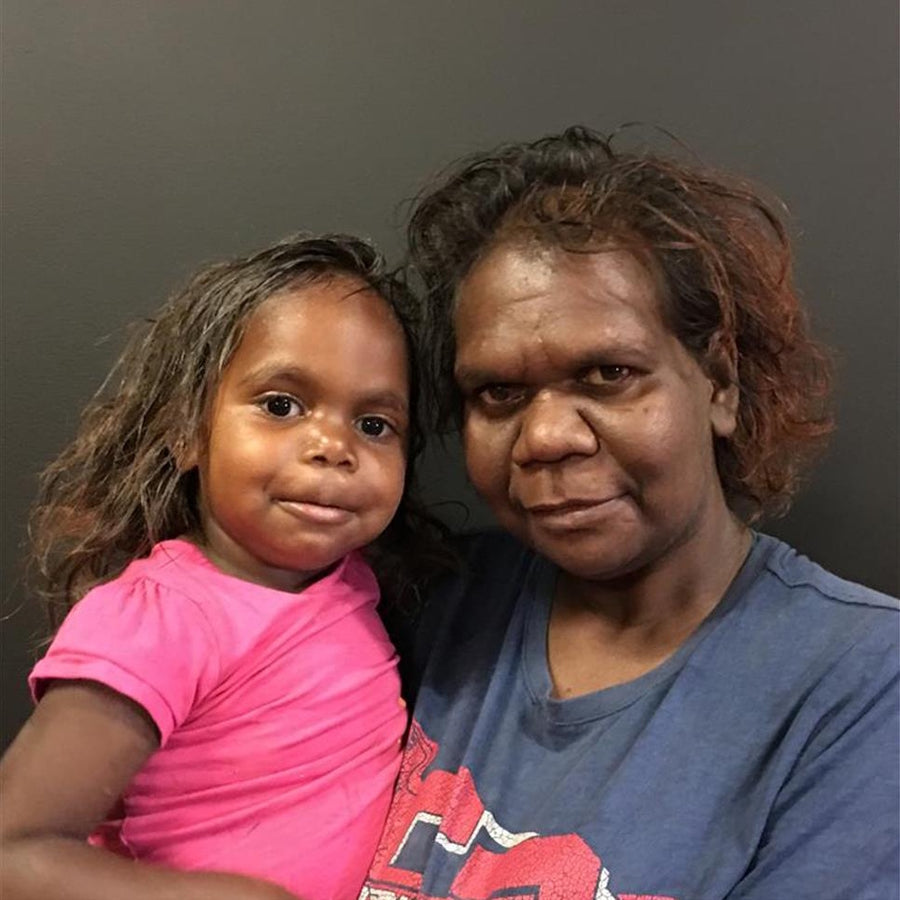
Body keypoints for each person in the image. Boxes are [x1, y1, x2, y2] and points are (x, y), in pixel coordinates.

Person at [360, 128, 900, 900]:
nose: (546, 437)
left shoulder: (864, 684)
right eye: (498, 394)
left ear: (718, 382)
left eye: (609, 374)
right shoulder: (431, 603)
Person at [0, 234, 441, 900]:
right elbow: (14, 853)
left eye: (375, 424)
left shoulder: (354, 584)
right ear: (187, 432)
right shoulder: (161, 620)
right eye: (281, 405)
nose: (332, 446)